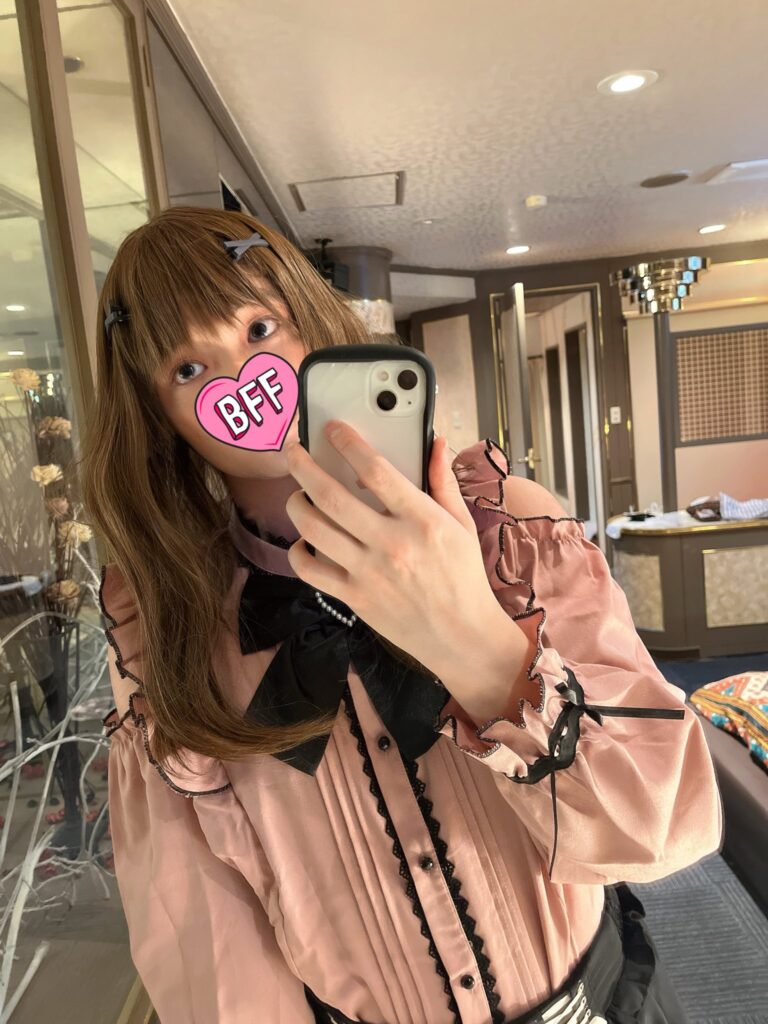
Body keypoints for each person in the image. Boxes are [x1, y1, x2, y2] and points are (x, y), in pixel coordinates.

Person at [82, 206, 723, 1024]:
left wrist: (477, 645)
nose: (242, 375)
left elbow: (664, 833)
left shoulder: (511, 532)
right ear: (158, 415)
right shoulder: (167, 633)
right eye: (186, 367)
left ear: (310, 321)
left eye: (260, 327)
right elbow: (208, 939)